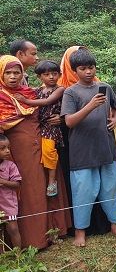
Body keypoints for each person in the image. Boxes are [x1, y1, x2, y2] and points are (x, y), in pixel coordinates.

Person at [60, 48, 116, 247]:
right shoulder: (70, 92)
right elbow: (69, 122)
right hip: (82, 151)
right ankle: (80, 232)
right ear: (75, 71)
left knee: (112, 189)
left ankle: (115, 226)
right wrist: (90, 106)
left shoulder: (105, 87)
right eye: (83, 68)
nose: (88, 72)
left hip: (106, 147)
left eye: (91, 67)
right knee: (83, 191)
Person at [0, 55, 71, 248]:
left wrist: (60, 118)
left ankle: (52, 233)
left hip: (43, 146)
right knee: (26, 192)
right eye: (8, 73)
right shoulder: (1, 97)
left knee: (47, 188)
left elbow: (51, 111)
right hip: (15, 155)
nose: (13, 77)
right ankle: (31, 240)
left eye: (17, 72)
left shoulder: (31, 94)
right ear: (1, 74)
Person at [13, 60, 65, 196]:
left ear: (60, 74)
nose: (51, 77)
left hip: (51, 126)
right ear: (39, 77)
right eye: (47, 74)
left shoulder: (59, 89)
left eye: (54, 74)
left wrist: (26, 101)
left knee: (49, 151)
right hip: (39, 125)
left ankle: (52, 181)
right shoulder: (38, 90)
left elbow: (48, 101)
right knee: (39, 153)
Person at [0, 134, 21, 248]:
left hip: (8, 205)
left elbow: (17, 184)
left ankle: (19, 256)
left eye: (8, 147)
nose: (7, 151)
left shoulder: (10, 166)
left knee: (13, 228)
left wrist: (3, 181)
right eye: (2, 149)